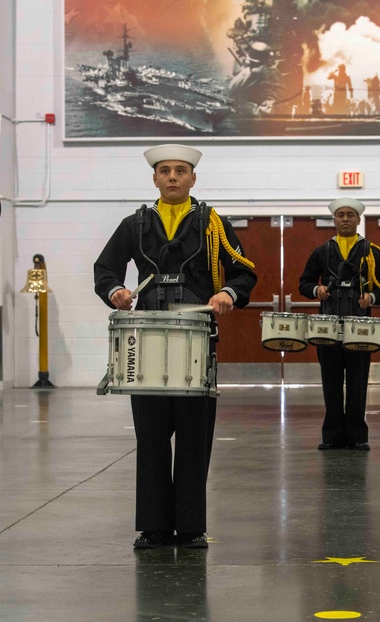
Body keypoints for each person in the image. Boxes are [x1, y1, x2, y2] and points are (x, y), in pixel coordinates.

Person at [93, 144, 256, 548]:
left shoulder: (212, 223)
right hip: (146, 338)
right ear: (154, 178)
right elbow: (105, 268)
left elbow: (244, 271)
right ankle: (153, 527)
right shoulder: (135, 224)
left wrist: (227, 294)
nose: (171, 177)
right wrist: (115, 291)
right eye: (164, 171)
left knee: (194, 438)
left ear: (192, 179)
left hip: (196, 339)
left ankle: (191, 527)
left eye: (180, 171)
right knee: (150, 438)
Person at [299, 198, 380, 451]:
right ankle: (331, 435)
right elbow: (304, 283)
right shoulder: (321, 251)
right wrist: (316, 290)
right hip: (327, 327)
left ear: (359, 220)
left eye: (351, 215)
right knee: (330, 380)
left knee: (357, 381)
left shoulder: (372, 251)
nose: (346, 219)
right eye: (341, 215)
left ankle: (357, 435)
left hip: (360, 327)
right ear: (334, 220)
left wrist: (370, 298)